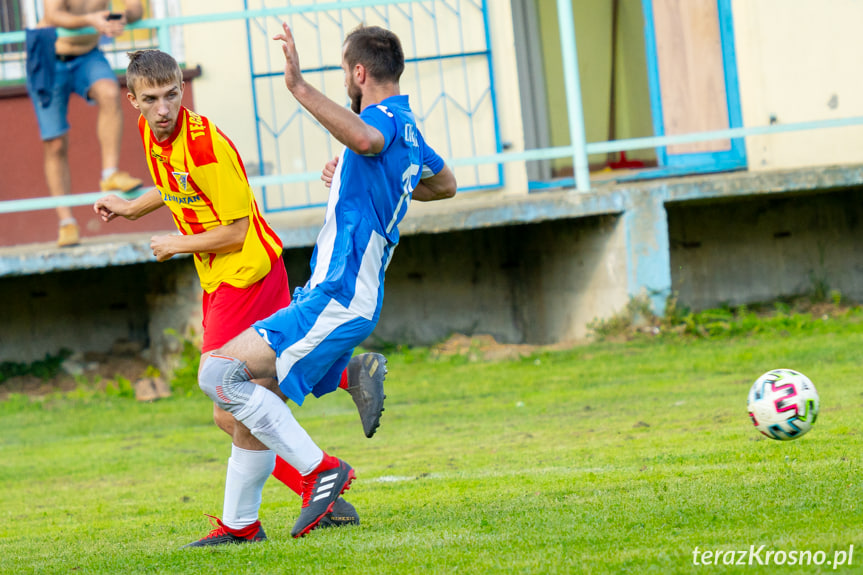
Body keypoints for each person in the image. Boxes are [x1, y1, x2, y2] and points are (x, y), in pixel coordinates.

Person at [92, 49, 389, 543]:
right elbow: (175, 188)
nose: (164, 108)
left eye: (172, 96)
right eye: (152, 100)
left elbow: (234, 231)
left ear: (182, 91)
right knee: (234, 406)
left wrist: (177, 242)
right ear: (133, 101)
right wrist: (129, 208)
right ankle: (267, 509)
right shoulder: (154, 133)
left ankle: (316, 475)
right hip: (220, 279)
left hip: (247, 273)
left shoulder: (206, 143)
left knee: (226, 396)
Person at [185, 22, 458, 545]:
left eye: (343, 74)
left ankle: (321, 470)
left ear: (358, 72)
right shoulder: (408, 128)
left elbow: (365, 136)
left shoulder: (377, 122)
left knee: (218, 375)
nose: (344, 84)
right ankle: (240, 525)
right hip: (334, 294)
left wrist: (298, 86)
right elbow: (443, 184)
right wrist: (365, 177)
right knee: (250, 401)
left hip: (339, 295)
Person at [27, 0, 146, 247]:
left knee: (110, 92)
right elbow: (54, 13)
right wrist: (92, 20)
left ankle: (110, 173)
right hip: (49, 54)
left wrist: (120, 16)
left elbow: (136, 9)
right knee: (56, 144)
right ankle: (66, 222)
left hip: (88, 56)